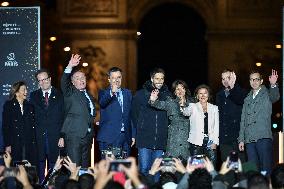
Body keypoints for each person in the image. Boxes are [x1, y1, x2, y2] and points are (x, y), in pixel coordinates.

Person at [238, 69, 280, 175]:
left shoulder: (267, 93)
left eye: (257, 79)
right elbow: (243, 120)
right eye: (252, 79)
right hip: (249, 140)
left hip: (263, 137)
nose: (254, 81)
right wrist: (241, 139)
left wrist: (273, 85)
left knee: (265, 169)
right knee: (251, 169)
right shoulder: (246, 98)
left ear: (261, 81)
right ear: (249, 81)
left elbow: (275, 97)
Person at [131, 68, 171, 176]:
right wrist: (137, 132)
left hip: (160, 140)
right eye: (157, 78)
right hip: (144, 139)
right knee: (144, 168)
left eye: (162, 78)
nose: (159, 81)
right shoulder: (140, 94)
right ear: (152, 78)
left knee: (157, 170)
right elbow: (134, 115)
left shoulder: (168, 96)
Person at [60, 54, 96, 167]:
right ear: (72, 82)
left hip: (88, 137)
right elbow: (64, 81)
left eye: (83, 77)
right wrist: (70, 65)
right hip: (74, 136)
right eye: (77, 78)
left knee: (85, 169)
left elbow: (89, 114)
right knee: (74, 168)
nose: (81, 80)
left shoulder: (89, 95)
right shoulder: (69, 92)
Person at [29, 69, 64, 182]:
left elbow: (64, 117)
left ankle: (52, 184)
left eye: (45, 79)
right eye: (40, 80)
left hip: (55, 137)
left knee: (54, 165)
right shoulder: (33, 96)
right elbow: (31, 117)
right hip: (39, 137)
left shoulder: (60, 95)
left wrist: (62, 136)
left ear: (50, 79)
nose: (43, 82)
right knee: (39, 164)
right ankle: (40, 185)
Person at [149, 79, 193, 161]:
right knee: (171, 168)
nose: (180, 91)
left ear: (185, 90)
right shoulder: (171, 102)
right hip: (174, 140)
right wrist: (153, 100)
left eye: (182, 88)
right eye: (177, 89)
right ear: (174, 92)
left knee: (187, 169)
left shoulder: (192, 103)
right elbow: (159, 104)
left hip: (188, 140)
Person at [97, 67, 135, 158]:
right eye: (113, 78)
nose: (116, 80)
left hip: (125, 138)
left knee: (123, 168)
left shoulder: (128, 93)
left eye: (119, 77)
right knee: (110, 168)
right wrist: (112, 93)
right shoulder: (103, 93)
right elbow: (102, 103)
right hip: (109, 138)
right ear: (109, 79)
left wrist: (133, 135)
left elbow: (131, 115)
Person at [2, 81, 37, 166]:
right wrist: (8, 144)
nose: (26, 92)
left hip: (28, 143)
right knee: (16, 168)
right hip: (15, 143)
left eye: (26, 89)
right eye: (23, 90)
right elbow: (6, 126)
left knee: (28, 168)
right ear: (17, 92)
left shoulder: (30, 106)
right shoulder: (9, 105)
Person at [182, 85, 219, 166]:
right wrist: (182, 103)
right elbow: (185, 113)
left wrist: (215, 142)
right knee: (196, 167)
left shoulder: (214, 108)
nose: (203, 95)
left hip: (210, 141)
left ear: (208, 95)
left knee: (211, 166)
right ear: (197, 95)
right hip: (196, 141)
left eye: (205, 93)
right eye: (200, 93)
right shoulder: (193, 106)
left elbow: (216, 127)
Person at [216, 69, 247, 162]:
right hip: (224, 139)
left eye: (228, 78)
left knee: (241, 168)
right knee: (227, 168)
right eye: (223, 79)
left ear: (234, 78)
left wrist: (232, 86)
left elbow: (239, 100)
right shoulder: (219, 95)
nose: (225, 81)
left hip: (238, 138)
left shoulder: (241, 92)